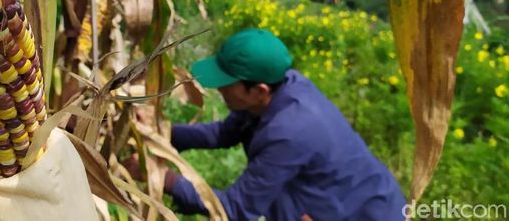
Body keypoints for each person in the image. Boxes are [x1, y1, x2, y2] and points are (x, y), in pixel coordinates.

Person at [128, 28, 407, 220]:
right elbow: (223, 134)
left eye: (226, 84)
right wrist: (159, 132)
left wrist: (162, 177)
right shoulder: (278, 87)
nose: (219, 90)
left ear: (259, 90)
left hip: (363, 213)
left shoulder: (289, 132)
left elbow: (235, 209)